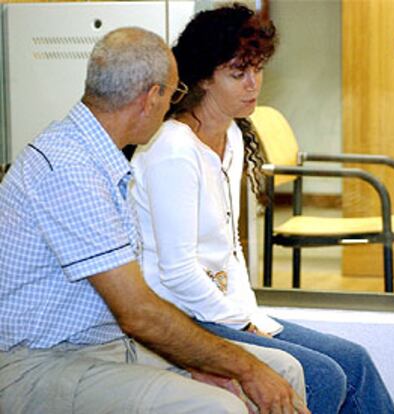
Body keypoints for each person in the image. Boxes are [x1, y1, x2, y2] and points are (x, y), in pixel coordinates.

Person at [0, 27, 310, 414]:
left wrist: (221, 363)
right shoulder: (69, 168)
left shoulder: (97, 157)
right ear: (152, 97)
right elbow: (138, 313)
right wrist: (241, 367)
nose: (173, 108)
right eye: (174, 94)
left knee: (284, 369)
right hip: (39, 363)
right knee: (221, 404)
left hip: (110, 345)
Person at [130, 4, 394, 414]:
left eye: (257, 69)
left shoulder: (233, 137)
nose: (253, 84)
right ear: (203, 77)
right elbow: (178, 272)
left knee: (355, 361)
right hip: (181, 318)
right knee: (323, 377)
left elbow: (229, 249)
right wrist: (243, 325)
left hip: (225, 313)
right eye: (238, 74)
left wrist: (251, 316)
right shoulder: (173, 149)